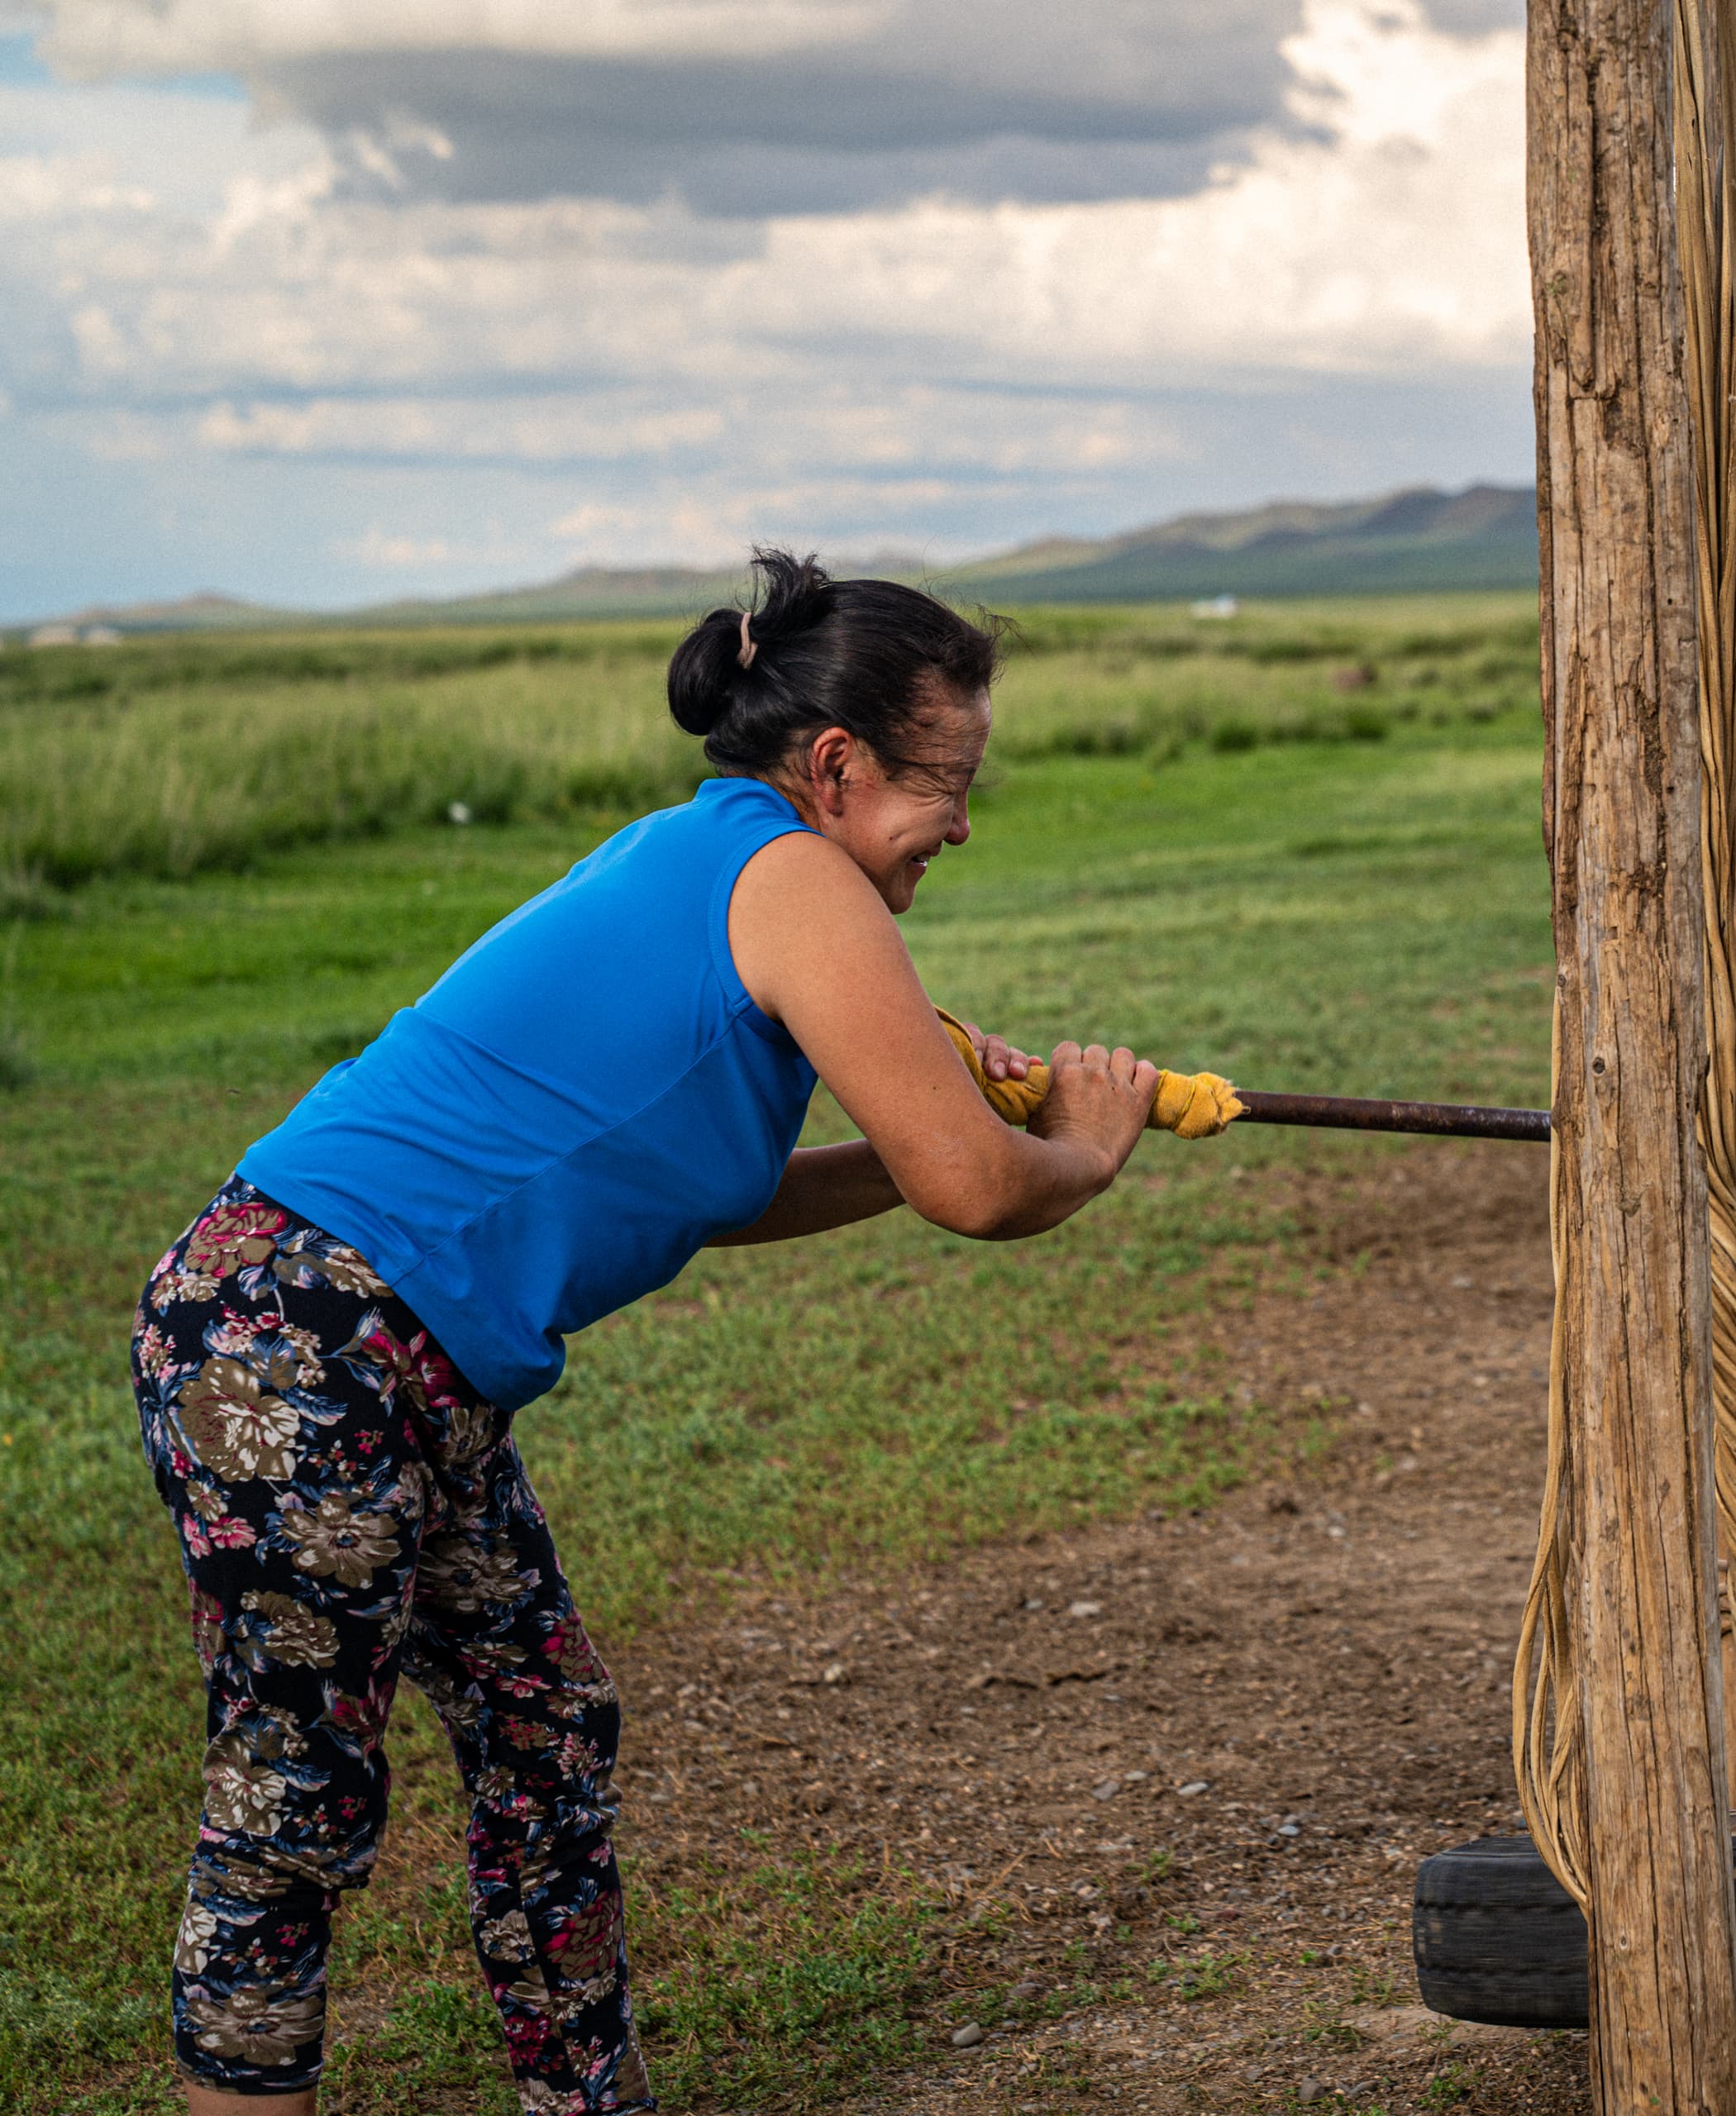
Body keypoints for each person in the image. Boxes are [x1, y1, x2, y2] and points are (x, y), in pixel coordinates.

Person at [130, 551, 1161, 2113]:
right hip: (301, 1338)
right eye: (950, 780)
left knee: (547, 1727)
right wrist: (1080, 1146)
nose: (962, 821)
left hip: (387, 1357)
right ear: (836, 763)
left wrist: (917, 1125)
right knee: (294, 1803)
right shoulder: (797, 882)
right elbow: (978, 1193)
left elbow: (688, 1182)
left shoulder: (713, 860)